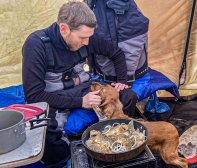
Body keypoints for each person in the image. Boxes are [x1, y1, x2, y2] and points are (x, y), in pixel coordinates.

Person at [22, 1, 137, 167]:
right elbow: (34, 96)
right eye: (82, 38)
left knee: (128, 97)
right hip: (51, 97)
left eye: (89, 37)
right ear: (64, 29)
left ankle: (116, 142)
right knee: (46, 134)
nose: (87, 43)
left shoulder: (87, 37)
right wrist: (80, 102)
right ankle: (67, 161)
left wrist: (121, 82)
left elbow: (117, 54)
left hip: (84, 87)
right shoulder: (36, 45)